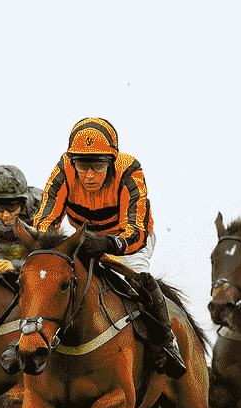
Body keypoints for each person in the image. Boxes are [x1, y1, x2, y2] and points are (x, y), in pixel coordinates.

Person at [32, 117, 185, 378]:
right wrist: (47, 246)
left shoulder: (129, 170)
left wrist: (109, 243)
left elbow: (136, 229)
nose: (89, 174)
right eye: (82, 164)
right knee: (43, 274)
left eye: (98, 165)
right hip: (84, 235)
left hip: (129, 238)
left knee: (138, 279)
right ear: (72, 162)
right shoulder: (63, 169)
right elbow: (45, 218)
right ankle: (24, 335)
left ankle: (166, 342)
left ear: (112, 161)